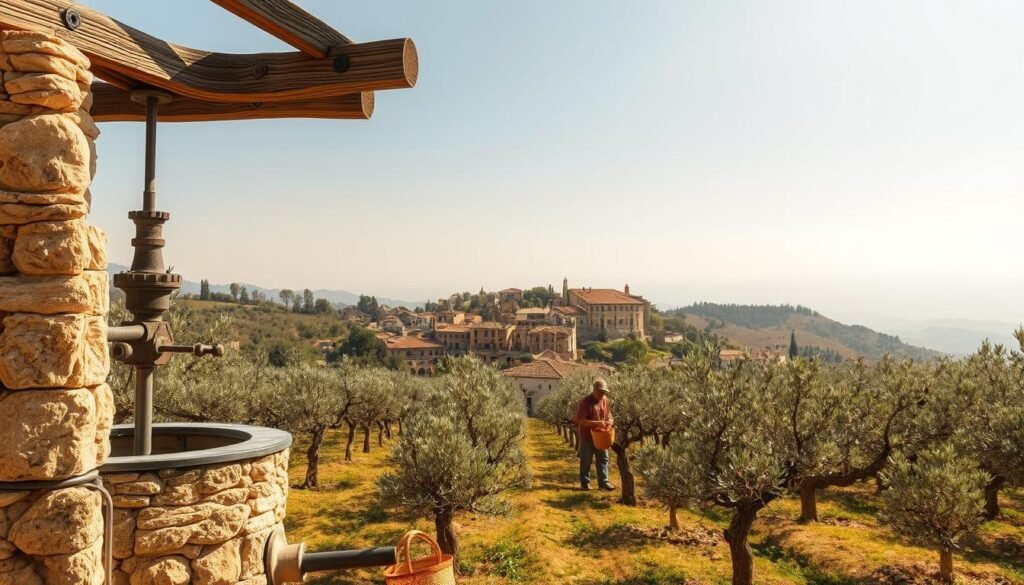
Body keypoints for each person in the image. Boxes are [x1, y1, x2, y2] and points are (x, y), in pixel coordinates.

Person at [573, 379, 615, 491]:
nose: (602, 394)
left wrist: (610, 420)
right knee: (586, 459)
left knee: (603, 459)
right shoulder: (586, 402)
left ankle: (604, 483)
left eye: (604, 392)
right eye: (600, 392)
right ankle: (585, 483)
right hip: (587, 436)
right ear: (594, 390)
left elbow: (609, 415)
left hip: (602, 436)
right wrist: (597, 423)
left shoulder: (605, 400)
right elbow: (580, 420)